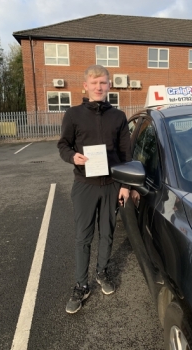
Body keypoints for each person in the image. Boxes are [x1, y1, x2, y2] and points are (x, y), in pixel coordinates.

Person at [57, 65, 131, 314]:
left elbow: (125, 155)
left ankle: (102, 272)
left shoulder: (118, 116)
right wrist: (72, 157)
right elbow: (63, 145)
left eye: (103, 82)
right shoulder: (73, 114)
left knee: (107, 233)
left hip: (111, 185)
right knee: (83, 237)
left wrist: (125, 186)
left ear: (109, 85)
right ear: (85, 86)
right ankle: (81, 285)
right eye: (94, 82)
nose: (99, 87)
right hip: (85, 186)